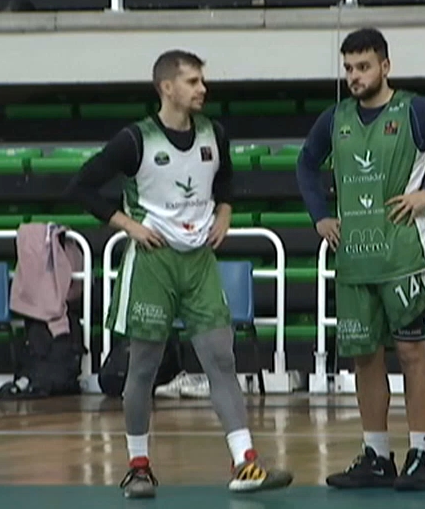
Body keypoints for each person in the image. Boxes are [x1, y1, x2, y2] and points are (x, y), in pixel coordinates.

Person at [65, 49, 293, 499]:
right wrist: (129, 225)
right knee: (144, 368)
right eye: (192, 81)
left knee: (221, 360)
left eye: (201, 80)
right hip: (153, 262)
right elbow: (82, 186)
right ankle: (138, 465)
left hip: (199, 262)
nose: (201, 88)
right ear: (166, 87)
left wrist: (225, 212)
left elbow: (225, 180)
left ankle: (245, 462)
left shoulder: (215, 133)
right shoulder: (135, 140)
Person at [296, 27, 425, 491]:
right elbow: (305, 163)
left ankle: (420, 455)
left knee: (410, 352)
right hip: (354, 257)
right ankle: (377, 455)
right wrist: (320, 217)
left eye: (363, 67)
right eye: (348, 69)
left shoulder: (415, 111)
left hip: (403, 252)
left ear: (386, 66)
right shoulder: (334, 117)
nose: (354, 77)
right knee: (364, 356)